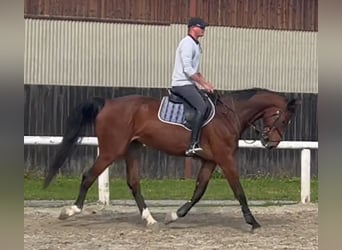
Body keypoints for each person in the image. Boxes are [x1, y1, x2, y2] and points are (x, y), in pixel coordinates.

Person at [171, 17, 215, 156]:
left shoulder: (195, 44)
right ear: (192, 28)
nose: (203, 30)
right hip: (181, 83)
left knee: (208, 103)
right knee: (202, 107)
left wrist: (206, 83)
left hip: (189, 83)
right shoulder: (187, 44)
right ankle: (193, 144)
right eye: (201, 27)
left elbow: (196, 71)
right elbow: (188, 70)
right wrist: (202, 84)